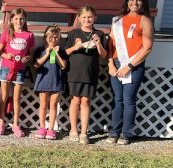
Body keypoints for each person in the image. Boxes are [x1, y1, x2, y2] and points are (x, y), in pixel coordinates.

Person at [106, 0, 153, 145]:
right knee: (117, 98)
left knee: (128, 99)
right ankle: (114, 132)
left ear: (143, 3)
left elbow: (148, 47)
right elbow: (110, 43)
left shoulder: (145, 21)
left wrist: (129, 66)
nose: (135, 2)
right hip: (116, 63)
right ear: (127, 2)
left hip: (134, 65)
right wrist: (110, 64)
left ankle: (126, 134)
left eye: (138, 0)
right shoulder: (118, 20)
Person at [64, 6, 108, 144]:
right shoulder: (73, 33)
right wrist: (75, 47)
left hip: (90, 73)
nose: (87, 19)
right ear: (79, 18)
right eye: (84, 17)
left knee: (86, 101)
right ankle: (73, 130)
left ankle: (84, 132)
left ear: (95, 18)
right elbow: (65, 52)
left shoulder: (99, 34)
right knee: (75, 100)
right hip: (75, 71)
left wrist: (98, 43)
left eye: (90, 17)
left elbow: (104, 55)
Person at [0, 8, 34, 138]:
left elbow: (30, 53)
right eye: (16, 19)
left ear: (25, 20)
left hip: (20, 70)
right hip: (6, 68)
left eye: (21, 18)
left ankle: (16, 124)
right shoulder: (6, 33)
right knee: (4, 97)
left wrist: (27, 58)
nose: (19, 21)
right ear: (11, 20)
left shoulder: (29, 35)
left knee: (16, 98)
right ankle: (0, 123)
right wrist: (6, 55)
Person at [33, 25, 66, 140]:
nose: (53, 40)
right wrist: (47, 53)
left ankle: (51, 129)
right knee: (43, 105)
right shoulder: (40, 50)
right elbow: (36, 65)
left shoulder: (61, 51)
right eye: (51, 37)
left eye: (56, 38)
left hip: (56, 81)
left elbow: (63, 66)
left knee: (53, 106)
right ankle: (42, 127)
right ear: (45, 37)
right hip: (43, 80)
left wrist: (56, 53)